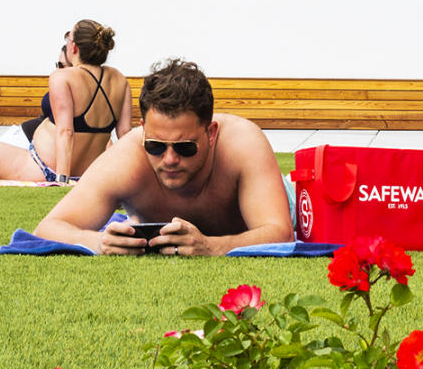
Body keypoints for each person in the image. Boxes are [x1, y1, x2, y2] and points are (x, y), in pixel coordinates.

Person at [34, 58, 293, 256]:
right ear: (143, 132)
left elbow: (280, 233)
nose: (169, 159)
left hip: (283, 199)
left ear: (211, 134)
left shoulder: (242, 143)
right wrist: (98, 241)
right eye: (156, 146)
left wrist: (211, 246)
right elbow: (48, 227)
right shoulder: (127, 157)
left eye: (185, 148)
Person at [0, 20, 130, 183]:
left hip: (42, 167)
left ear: (73, 47)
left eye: (68, 38)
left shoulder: (62, 77)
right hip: (88, 171)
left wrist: (61, 180)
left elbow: (66, 131)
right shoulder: (120, 80)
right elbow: (125, 134)